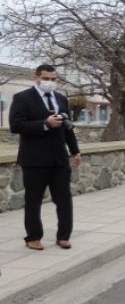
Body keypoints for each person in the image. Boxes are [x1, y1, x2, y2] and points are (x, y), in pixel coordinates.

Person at [9, 64, 81, 251]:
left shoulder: (61, 99)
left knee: (64, 200)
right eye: (46, 78)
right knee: (33, 201)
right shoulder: (22, 98)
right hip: (34, 159)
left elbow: (68, 127)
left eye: (53, 79)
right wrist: (45, 124)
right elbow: (16, 125)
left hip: (59, 159)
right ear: (36, 78)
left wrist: (75, 151)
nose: (50, 82)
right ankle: (33, 237)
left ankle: (63, 236)